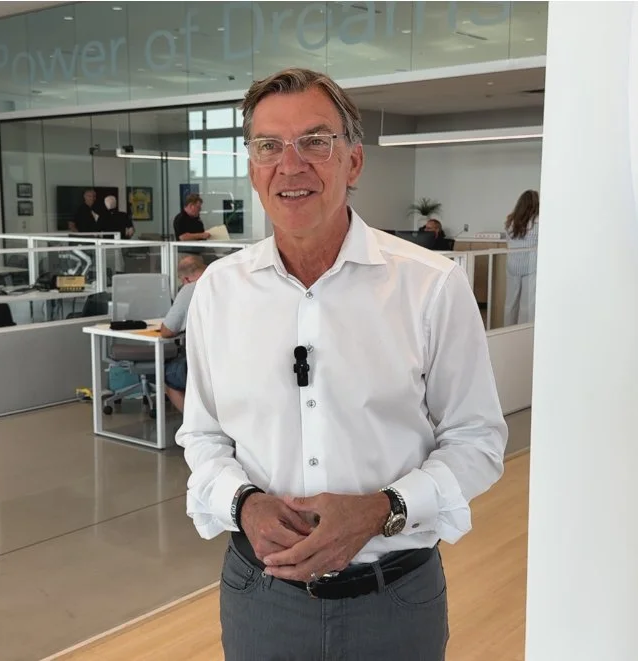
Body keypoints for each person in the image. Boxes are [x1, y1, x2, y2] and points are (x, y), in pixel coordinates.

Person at [176, 68, 508, 660]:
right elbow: (202, 438)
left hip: (395, 599)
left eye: (315, 142)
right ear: (253, 167)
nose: (291, 163)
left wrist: (384, 509)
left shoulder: (430, 286)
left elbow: (477, 440)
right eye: (269, 146)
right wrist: (243, 504)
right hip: (261, 598)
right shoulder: (219, 292)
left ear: (353, 162)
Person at [159, 255, 206, 412]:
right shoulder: (225, 281)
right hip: (233, 360)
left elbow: (167, 331)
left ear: (185, 279)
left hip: (204, 364)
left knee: (168, 374)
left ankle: (197, 428)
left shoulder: (190, 288)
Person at [503, 189, 539, 326]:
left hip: (513, 263)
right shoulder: (538, 221)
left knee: (510, 303)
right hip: (531, 264)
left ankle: (507, 330)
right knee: (527, 304)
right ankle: (524, 334)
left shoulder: (511, 221)